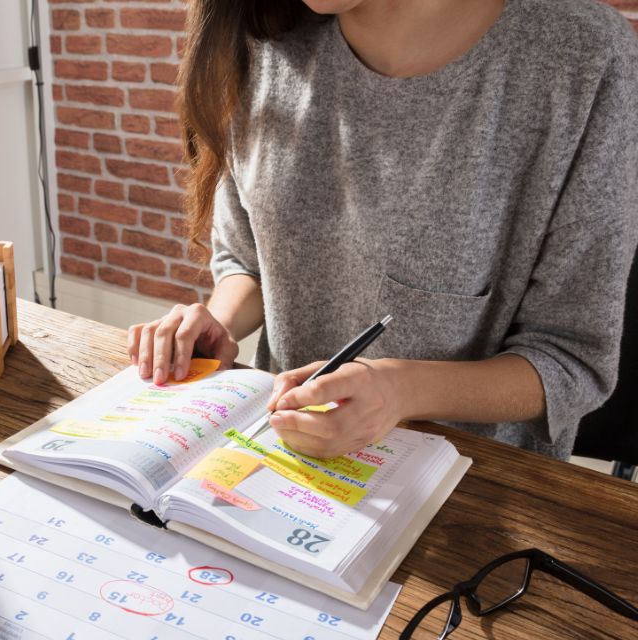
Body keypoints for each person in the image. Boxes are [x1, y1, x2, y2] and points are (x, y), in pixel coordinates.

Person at [127, 0, 638, 460]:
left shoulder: (583, 57)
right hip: (280, 459)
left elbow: (572, 360)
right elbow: (249, 262)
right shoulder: (264, 39)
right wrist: (218, 323)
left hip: (468, 489)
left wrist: (401, 390)